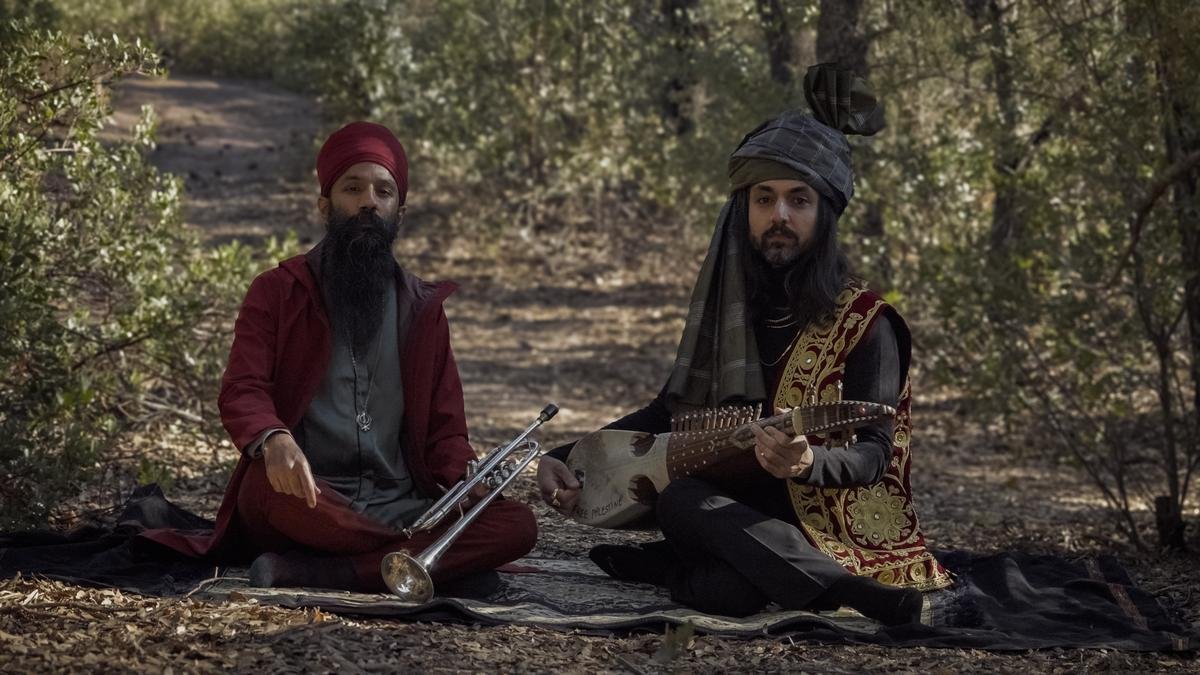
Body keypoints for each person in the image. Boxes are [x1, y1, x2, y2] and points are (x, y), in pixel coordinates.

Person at [536, 65, 952, 624]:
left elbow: (875, 456)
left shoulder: (867, 323)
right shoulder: (731, 316)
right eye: (764, 199)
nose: (779, 216)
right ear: (743, 211)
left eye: (798, 200)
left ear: (825, 214)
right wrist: (563, 458)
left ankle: (838, 587)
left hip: (830, 525)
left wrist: (807, 461)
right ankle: (793, 582)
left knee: (721, 581)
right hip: (741, 512)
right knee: (687, 506)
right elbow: (667, 413)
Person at [143, 121, 537, 596]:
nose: (369, 201)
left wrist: (466, 483)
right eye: (353, 188)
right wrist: (273, 439)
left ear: (399, 212)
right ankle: (421, 561)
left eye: (383, 191)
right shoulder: (276, 291)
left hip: (400, 503)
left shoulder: (424, 310)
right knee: (262, 490)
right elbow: (243, 389)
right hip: (309, 499)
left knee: (516, 524)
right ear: (325, 206)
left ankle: (332, 573)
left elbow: (445, 433)